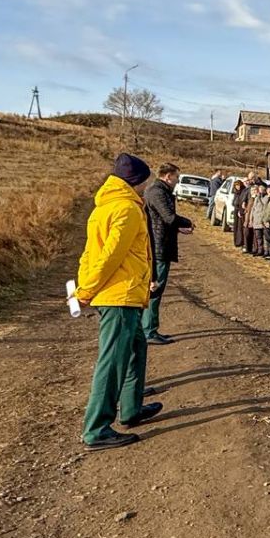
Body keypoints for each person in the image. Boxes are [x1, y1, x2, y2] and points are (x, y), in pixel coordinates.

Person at [77, 154, 161, 450]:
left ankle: (131, 407)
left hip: (122, 293)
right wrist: (85, 291)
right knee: (112, 361)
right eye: (144, 181)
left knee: (136, 348)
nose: (145, 187)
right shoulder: (126, 209)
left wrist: (84, 285)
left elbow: (88, 254)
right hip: (120, 296)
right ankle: (97, 429)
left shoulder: (104, 207)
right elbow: (109, 256)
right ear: (135, 181)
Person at [140, 162, 194, 346]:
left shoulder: (157, 191)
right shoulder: (157, 192)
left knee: (155, 288)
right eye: (177, 177)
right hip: (158, 247)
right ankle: (148, 330)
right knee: (155, 288)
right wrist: (187, 222)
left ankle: (149, 328)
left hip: (160, 243)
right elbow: (168, 217)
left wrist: (179, 228)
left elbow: (163, 220)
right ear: (168, 176)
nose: (177, 181)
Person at [245, 181, 266, 255]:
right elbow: (252, 210)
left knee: (259, 237)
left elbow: (263, 207)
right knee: (256, 236)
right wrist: (250, 219)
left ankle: (259, 250)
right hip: (253, 219)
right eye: (252, 190)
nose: (254, 192)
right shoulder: (253, 198)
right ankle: (255, 248)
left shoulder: (262, 198)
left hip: (260, 220)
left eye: (255, 190)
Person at [231, 179, 248, 248]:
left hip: (240, 211)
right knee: (235, 227)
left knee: (240, 227)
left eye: (238, 185)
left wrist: (240, 210)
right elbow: (234, 202)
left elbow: (241, 202)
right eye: (236, 185)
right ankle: (236, 242)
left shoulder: (243, 192)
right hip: (236, 210)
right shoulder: (236, 192)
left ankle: (240, 242)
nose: (237, 187)